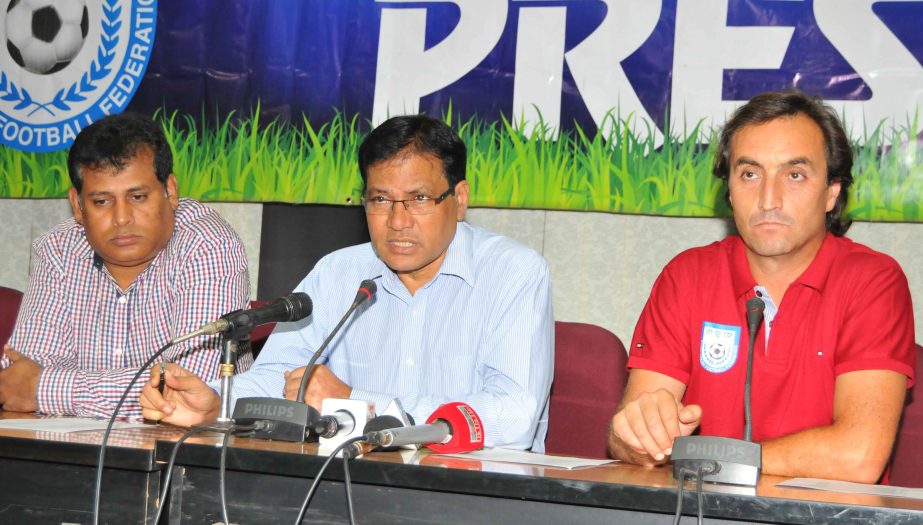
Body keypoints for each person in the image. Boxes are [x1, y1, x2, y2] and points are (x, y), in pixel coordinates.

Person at [141, 115, 554, 450]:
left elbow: (514, 416)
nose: (397, 221)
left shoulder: (513, 273)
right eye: (379, 200)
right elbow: (282, 377)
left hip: (470, 492)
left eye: (419, 199)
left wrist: (358, 402)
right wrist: (216, 402)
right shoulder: (338, 273)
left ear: (459, 199)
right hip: (349, 483)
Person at [606, 90, 915, 483]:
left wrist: (708, 458)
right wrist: (633, 435)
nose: (769, 199)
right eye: (750, 174)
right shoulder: (687, 276)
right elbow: (631, 441)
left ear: (831, 192)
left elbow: (858, 456)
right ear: (730, 190)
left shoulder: (872, 281)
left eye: (795, 175)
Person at [0, 113, 251, 418]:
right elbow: (19, 377)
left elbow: (185, 390)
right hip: (75, 450)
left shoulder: (207, 245)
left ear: (170, 192)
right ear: (78, 205)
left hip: (182, 453)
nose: (121, 218)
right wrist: (37, 386)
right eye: (102, 201)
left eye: (138, 196)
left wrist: (45, 390)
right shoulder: (59, 250)